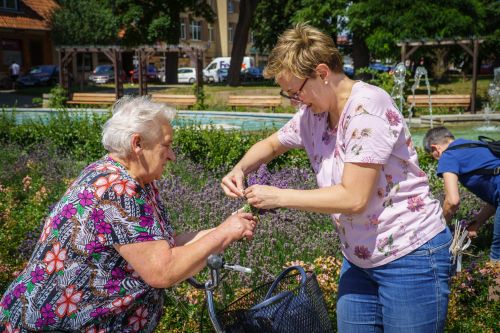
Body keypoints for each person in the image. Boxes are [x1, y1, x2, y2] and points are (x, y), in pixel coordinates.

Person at [221, 23, 452, 332]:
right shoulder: (313, 113)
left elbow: (353, 198)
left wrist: (279, 196)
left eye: (296, 92)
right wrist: (240, 168)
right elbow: (273, 144)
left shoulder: (367, 108)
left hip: (410, 255)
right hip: (359, 258)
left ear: (322, 72)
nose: (295, 101)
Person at [0, 96, 257, 332]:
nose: (172, 156)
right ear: (137, 144)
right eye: (166, 146)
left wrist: (229, 226)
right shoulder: (117, 190)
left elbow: (160, 247)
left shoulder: (129, 180)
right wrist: (225, 233)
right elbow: (163, 270)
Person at [423, 127, 499, 262]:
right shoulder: (474, 145)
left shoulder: (448, 155)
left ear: (435, 148)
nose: (436, 161)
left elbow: (452, 201)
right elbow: (495, 199)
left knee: (496, 257)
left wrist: (440, 228)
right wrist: (478, 222)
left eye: (432, 155)